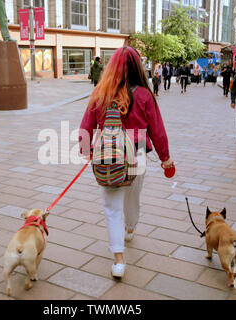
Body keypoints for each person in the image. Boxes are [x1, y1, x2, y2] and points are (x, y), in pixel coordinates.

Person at [79, 46, 173, 278]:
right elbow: (157, 129)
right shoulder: (144, 94)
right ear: (137, 67)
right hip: (137, 151)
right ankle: (130, 226)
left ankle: (119, 260)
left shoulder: (101, 92)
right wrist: (165, 158)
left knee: (111, 207)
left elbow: (86, 125)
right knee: (132, 197)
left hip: (108, 153)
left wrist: (87, 150)